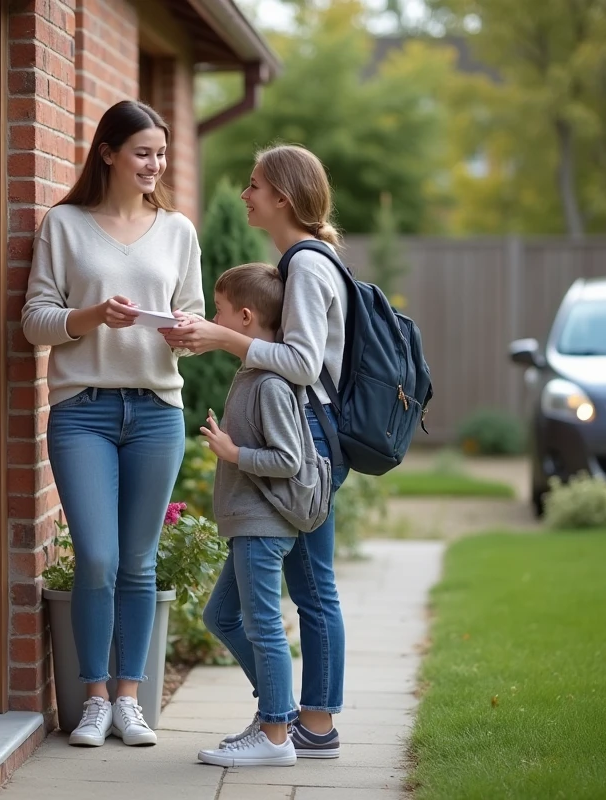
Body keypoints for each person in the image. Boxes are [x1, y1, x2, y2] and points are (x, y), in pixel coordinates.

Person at [21, 100, 205, 748]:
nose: (154, 164)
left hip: (157, 411)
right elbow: (34, 320)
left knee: (138, 561)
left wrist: (186, 334)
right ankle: (93, 696)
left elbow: (195, 320)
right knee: (96, 557)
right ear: (108, 154)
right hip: (84, 412)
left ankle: (130, 698)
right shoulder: (64, 225)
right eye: (142, 152)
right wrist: (93, 315)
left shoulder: (179, 231)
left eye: (160, 152)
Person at [162, 145, 349, 758]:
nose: (244, 195)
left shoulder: (308, 266)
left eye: (254, 185)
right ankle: (290, 718)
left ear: (283, 198)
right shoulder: (295, 263)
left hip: (308, 437)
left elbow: (298, 364)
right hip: (304, 433)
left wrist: (222, 337)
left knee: (311, 591)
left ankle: (305, 725)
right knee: (285, 596)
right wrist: (214, 337)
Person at [191, 263, 328, 768]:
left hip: (262, 524)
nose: (213, 317)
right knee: (220, 616)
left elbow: (288, 460)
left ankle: (274, 738)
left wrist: (233, 455)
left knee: (263, 625)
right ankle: (277, 712)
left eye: (220, 310)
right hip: (251, 523)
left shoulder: (269, 381)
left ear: (245, 317)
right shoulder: (255, 373)